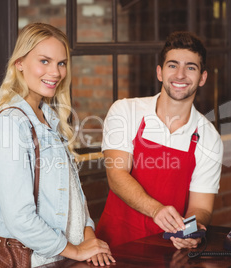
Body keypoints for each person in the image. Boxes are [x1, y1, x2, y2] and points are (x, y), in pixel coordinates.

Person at [0, 23, 115, 267]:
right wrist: (76, 250)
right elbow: (19, 217)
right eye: (44, 61)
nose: (56, 72)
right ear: (19, 63)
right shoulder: (11, 123)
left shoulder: (48, 117)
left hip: (66, 257)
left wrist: (89, 237)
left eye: (61, 63)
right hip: (37, 260)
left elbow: (72, 194)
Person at [95, 31, 223, 249]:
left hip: (168, 251)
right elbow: (116, 175)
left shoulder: (209, 137)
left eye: (190, 67)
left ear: (202, 78)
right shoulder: (126, 111)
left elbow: (201, 206)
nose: (180, 75)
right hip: (113, 247)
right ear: (160, 73)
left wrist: (194, 229)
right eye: (172, 65)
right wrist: (156, 210)